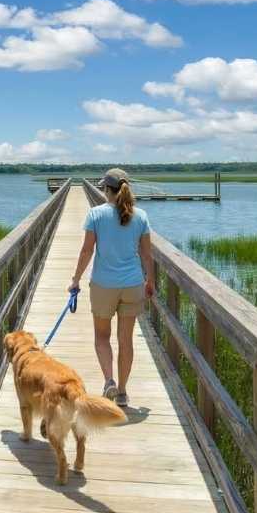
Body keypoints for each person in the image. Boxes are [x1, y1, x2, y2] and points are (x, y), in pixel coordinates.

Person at [69, 168, 155, 407]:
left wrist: (75, 280)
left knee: (102, 337)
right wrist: (151, 282)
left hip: (103, 285)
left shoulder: (95, 214)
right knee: (125, 340)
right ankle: (124, 393)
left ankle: (109, 381)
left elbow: (87, 251)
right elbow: (147, 255)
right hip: (132, 285)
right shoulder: (141, 216)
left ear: (106, 189)